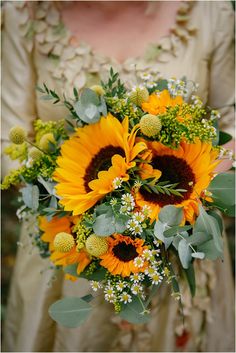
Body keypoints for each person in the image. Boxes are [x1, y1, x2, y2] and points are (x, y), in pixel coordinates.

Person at [2, 1, 234, 351]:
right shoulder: (24, 15)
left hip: (181, 246)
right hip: (68, 257)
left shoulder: (208, 11)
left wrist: (174, 216)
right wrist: (95, 215)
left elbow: (229, 121)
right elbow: (10, 143)